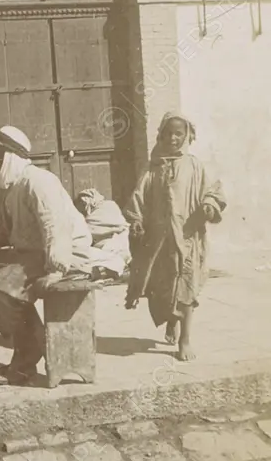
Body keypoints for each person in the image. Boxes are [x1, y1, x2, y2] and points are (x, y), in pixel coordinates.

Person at [0, 125, 98, 386]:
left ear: (10, 156)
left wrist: (56, 270)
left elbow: (55, 227)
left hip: (69, 255)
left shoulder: (39, 181)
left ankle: (29, 354)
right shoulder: (10, 188)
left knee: (1, 287)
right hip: (35, 257)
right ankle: (28, 350)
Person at [124, 112, 226, 362]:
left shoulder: (194, 165)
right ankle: (171, 320)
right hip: (160, 241)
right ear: (161, 135)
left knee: (187, 287)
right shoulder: (153, 168)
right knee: (164, 287)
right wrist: (136, 220)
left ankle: (185, 339)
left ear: (187, 135)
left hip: (188, 237)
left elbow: (211, 191)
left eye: (178, 133)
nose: (173, 137)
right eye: (168, 133)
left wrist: (209, 206)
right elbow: (140, 195)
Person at [74, 187, 133, 280]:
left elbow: (88, 230)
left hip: (120, 240)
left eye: (83, 203)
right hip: (106, 244)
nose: (82, 207)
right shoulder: (89, 216)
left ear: (91, 199)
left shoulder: (108, 206)